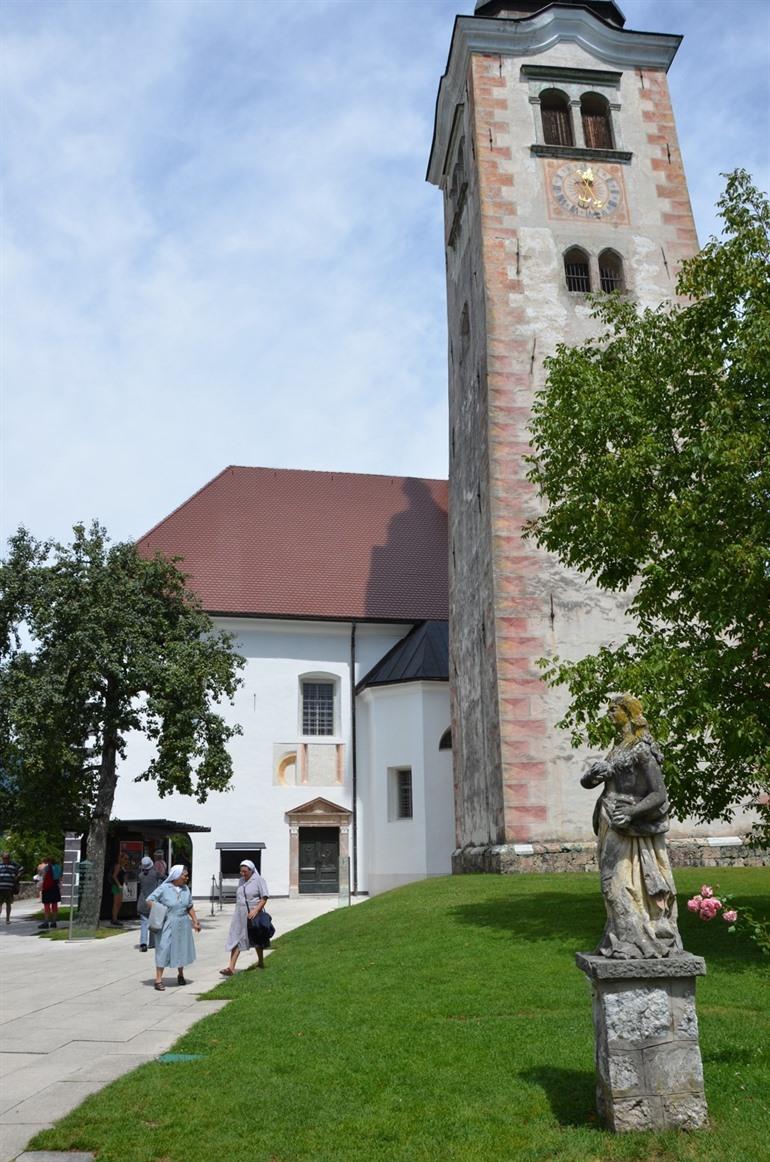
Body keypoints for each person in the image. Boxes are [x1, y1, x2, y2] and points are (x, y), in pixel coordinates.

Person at [581, 692, 683, 960]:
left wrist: (633, 811)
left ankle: (637, 940)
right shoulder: (618, 748)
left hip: (627, 823)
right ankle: (622, 936)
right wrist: (591, 776)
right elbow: (591, 782)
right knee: (609, 882)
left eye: (614, 709)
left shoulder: (641, 749)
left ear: (628, 712)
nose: (609, 714)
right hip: (608, 819)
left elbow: (658, 794)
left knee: (621, 883)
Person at [146, 864, 201, 991]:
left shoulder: (186, 889)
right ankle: (158, 980)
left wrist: (195, 921)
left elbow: (189, 906)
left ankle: (181, 975)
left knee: (181, 948)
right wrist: (161, 911)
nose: (187, 878)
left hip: (182, 923)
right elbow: (149, 900)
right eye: (185, 876)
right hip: (168, 923)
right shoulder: (164, 888)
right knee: (163, 948)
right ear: (177, 876)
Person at [220, 860, 270, 975]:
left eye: (245, 871)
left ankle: (261, 962)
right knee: (237, 937)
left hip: (253, 913)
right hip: (240, 914)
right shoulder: (241, 881)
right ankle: (231, 968)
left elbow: (264, 897)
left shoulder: (259, 880)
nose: (242, 874)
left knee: (256, 938)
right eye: (241, 871)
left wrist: (256, 910)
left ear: (251, 871)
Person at [136, 855, 162, 952]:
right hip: (153, 901)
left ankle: (143, 944)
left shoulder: (140, 876)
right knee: (153, 922)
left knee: (144, 923)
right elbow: (165, 878)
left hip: (142, 902)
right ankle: (152, 943)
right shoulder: (155, 874)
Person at [38, 857, 62, 929]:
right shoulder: (58, 867)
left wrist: (41, 886)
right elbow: (60, 877)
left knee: (47, 905)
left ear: (48, 862)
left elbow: (43, 877)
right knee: (54, 904)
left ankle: (46, 922)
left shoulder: (46, 867)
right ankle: (54, 922)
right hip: (55, 886)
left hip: (47, 887)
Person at [0, 851, 23, 924]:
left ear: (9, 858)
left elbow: (22, 868)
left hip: (9, 887)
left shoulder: (13, 864)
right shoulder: (0, 864)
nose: (5, 860)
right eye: (4, 858)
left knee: (8, 903)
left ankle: (7, 919)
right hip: (0, 887)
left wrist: (17, 876)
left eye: (6, 858)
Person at [110, 853, 129, 927]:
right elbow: (114, 876)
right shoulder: (118, 866)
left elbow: (123, 876)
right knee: (116, 903)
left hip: (121, 886)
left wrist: (125, 882)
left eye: (127, 859)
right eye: (125, 859)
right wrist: (118, 885)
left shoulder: (123, 867)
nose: (126, 860)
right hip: (117, 886)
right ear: (121, 859)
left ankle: (115, 918)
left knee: (119, 903)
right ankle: (114, 919)